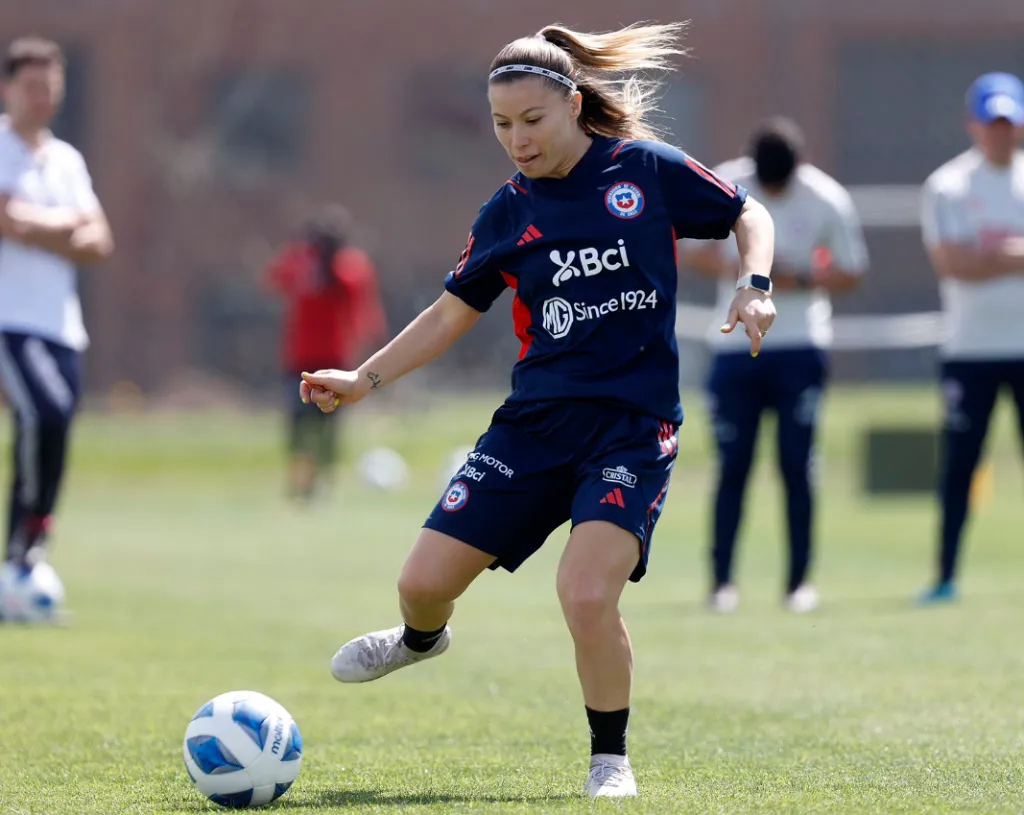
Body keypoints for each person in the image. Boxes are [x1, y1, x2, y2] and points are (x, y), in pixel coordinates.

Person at [300, 22, 775, 798]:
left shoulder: (642, 170)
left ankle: (609, 760)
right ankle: (420, 639)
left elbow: (748, 214)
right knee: (421, 583)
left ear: (574, 106)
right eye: (501, 124)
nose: (517, 140)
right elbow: (449, 315)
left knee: (586, 593)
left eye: (531, 120)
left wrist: (754, 286)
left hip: (631, 430)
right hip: (533, 428)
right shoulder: (507, 212)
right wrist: (363, 378)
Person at [682, 117, 869, 614]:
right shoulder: (726, 182)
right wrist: (749, 274)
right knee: (733, 466)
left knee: (796, 466)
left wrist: (798, 279)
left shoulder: (825, 197)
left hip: (800, 348)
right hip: (733, 347)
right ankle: (721, 582)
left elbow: (853, 271)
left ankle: (798, 583)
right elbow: (691, 251)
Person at [0, 37, 113, 571]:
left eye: (50, 86)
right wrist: (68, 224)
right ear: (8, 88)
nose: (42, 97)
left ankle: (28, 548)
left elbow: (100, 241)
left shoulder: (67, 160)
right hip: (9, 318)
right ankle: (26, 537)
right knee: (42, 413)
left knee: (57, 422)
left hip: (61, 323)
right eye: (32, 86)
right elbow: (6, 220)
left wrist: (36, 224)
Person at [918, 72, 1024, 605]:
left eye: (1009, 122)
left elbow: (975, 257)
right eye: (992, 123)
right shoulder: (949, 185)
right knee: (960, 468)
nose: (1001, 133)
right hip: (969, 351)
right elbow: (954, 262)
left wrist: (992, 255)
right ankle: (944, 577)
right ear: (973, 125)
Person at [264, 205, 386, 501]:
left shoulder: (349, 266)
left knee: (328, 424)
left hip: (334, 359)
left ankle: (322, 482)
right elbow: (276, 278)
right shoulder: (302, 262)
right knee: (298, 423)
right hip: (301, 359)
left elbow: (360, 302)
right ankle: (299, 481)